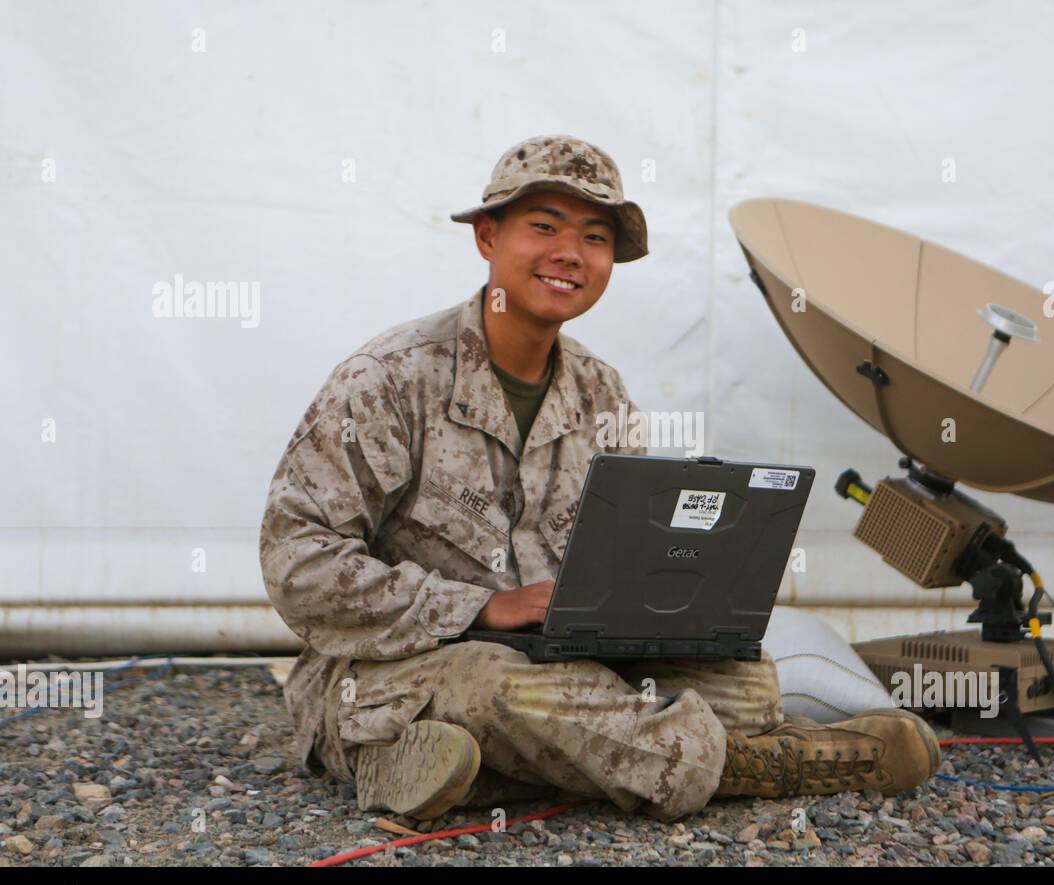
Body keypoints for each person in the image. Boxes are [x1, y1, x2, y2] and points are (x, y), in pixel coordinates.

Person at [258, 134, 940, 824]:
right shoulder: (389, 380)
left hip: (562, 667)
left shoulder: (600, 395)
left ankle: (454, 766)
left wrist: (658, 614)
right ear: (488, 237)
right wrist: (478, 610)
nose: (569, 254)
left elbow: (620, 561)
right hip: (395, 671)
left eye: (594, 236)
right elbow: (298, 566)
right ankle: (748, 766)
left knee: (748, 687)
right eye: (544, 227)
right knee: (500, 690)